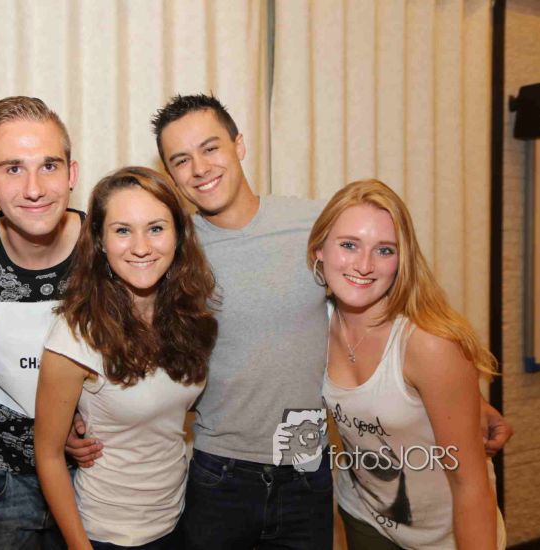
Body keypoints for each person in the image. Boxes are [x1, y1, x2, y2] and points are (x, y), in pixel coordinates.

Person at [68, 93, 512, 549]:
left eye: (210, 148)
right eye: (181, 159)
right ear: (170, 172)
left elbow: (388, 296)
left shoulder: (315, 225)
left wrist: (463, 400)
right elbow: (118, 321)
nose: (199, 168)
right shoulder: (173, 249)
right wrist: (73, 410)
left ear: (239, 145)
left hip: (307, 470)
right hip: (219, 471)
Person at [309, 179, 505, 550]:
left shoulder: (428, 344)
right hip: (365, 518)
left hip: (444, 534)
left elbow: (471, 486)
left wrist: (468, 400)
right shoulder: (314, 323)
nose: (364, 265)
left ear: (402, 260)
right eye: (349, 245)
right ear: (319, 249)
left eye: (384, 250)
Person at [35, 166, 218, 549]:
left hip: (177, 520)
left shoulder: (188, 315)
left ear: (179, 235)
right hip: (106, 534)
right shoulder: (76, 333)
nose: (141, 247)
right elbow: (48, 456)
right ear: (100, 241)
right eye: (122, 230)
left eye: (156, 228)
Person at [0, 96, 82, 549]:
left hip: (92, 472)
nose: (33, 188)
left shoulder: (109, 250)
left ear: (72, 174)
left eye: (49, 166)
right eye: (12, 168)